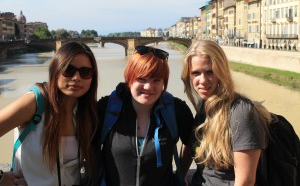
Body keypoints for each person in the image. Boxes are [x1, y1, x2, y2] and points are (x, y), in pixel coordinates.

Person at [0, 42, 99, 186]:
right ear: (56, 70)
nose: (77, 77)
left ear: (92, 77)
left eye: (85, 72)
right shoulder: (36, 101)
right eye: (68, 70)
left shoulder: (88, 113)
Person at [94, 45, 194, 186]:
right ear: (129, 79)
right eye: (141, 79)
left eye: (156, 80)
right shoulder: (107, 108)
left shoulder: (176, 110)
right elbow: (88, 146)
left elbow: (192, 144)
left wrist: (180, 174)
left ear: (163, 83)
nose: (148, 87)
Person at [181, 40, 271, 186]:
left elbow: (245, 182)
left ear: (221, 71)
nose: (202, 80)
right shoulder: (204, 105)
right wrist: (180, 176)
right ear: (188, 76)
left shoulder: (242, 112)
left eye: (210, 72)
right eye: (195, 73)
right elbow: (192, 144)